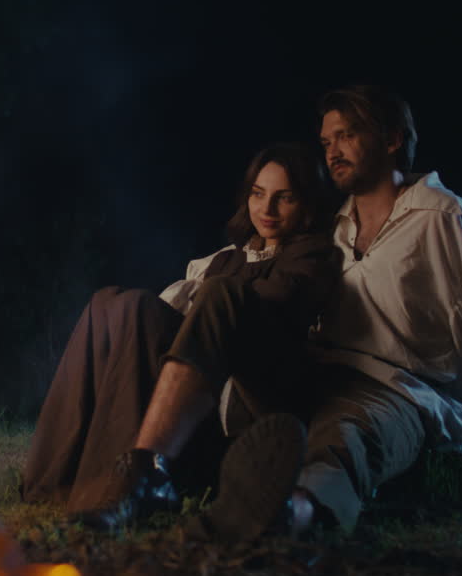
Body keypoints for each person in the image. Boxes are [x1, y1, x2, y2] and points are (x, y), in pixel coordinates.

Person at [270, 84, 462, 534]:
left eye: (347, 135)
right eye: (326, 142)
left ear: (392, 139)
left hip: (399, 388)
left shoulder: (440, 216)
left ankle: (299, 513)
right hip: (326, 371)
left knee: (347, 434)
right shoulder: (332, 230)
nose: (332, 152)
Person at [21, 141, 341, 537]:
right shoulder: (230, 258)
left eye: (284, 198)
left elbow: (267, 311)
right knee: (118, 302)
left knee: (202, 296)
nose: (267, 210)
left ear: (307, 203)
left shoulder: (315, 254)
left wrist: (205, 303)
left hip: (251, 400)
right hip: (198, 392)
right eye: (259, 195)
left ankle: (137, 479)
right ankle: (62, 476)